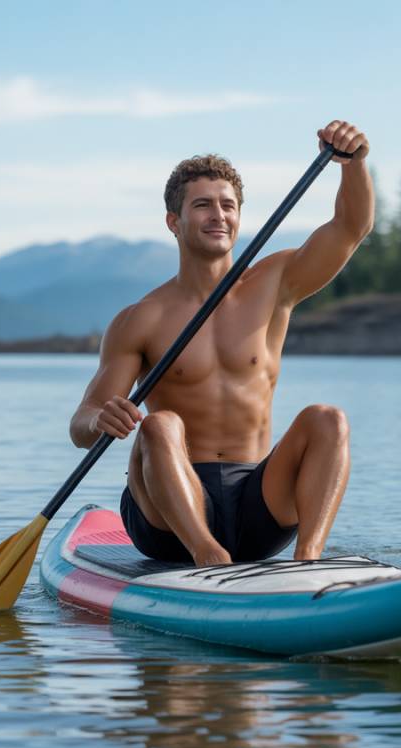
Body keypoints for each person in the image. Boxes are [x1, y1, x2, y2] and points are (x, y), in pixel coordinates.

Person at [70, 120, 373, 566]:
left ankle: (307, 562)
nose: (218, 215)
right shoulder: (141, 318)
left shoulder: (275, 284)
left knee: (328, 420)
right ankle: (208, 556)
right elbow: (81, 425)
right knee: (159, 425)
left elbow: (350, 228)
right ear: (174, 222)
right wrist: (100, 419)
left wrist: (354, 163)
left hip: (258, 507)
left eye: (228, 205)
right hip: (169, 517)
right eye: (203, 205)